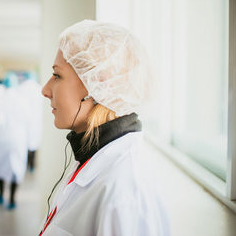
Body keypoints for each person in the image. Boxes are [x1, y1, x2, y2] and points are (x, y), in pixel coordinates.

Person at [39, 20, 170, 236]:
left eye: (57, 76)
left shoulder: (125, 193)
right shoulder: (94, 155)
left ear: (97, 84)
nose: (45, 90)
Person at [0, 72, 30, 211]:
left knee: (0, 167)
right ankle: (12, 199)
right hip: (17, 139)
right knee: (16, 168)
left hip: (1, 138)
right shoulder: (22, 99)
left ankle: (0, 195)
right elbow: (27, 119)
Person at [18, 71, 43, 172]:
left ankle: (24, 166)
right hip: (35, 120)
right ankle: (31, 166)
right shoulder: (39, 88)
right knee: (33, 144)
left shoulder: (20, 88)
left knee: (23, 145)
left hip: (23, 122)